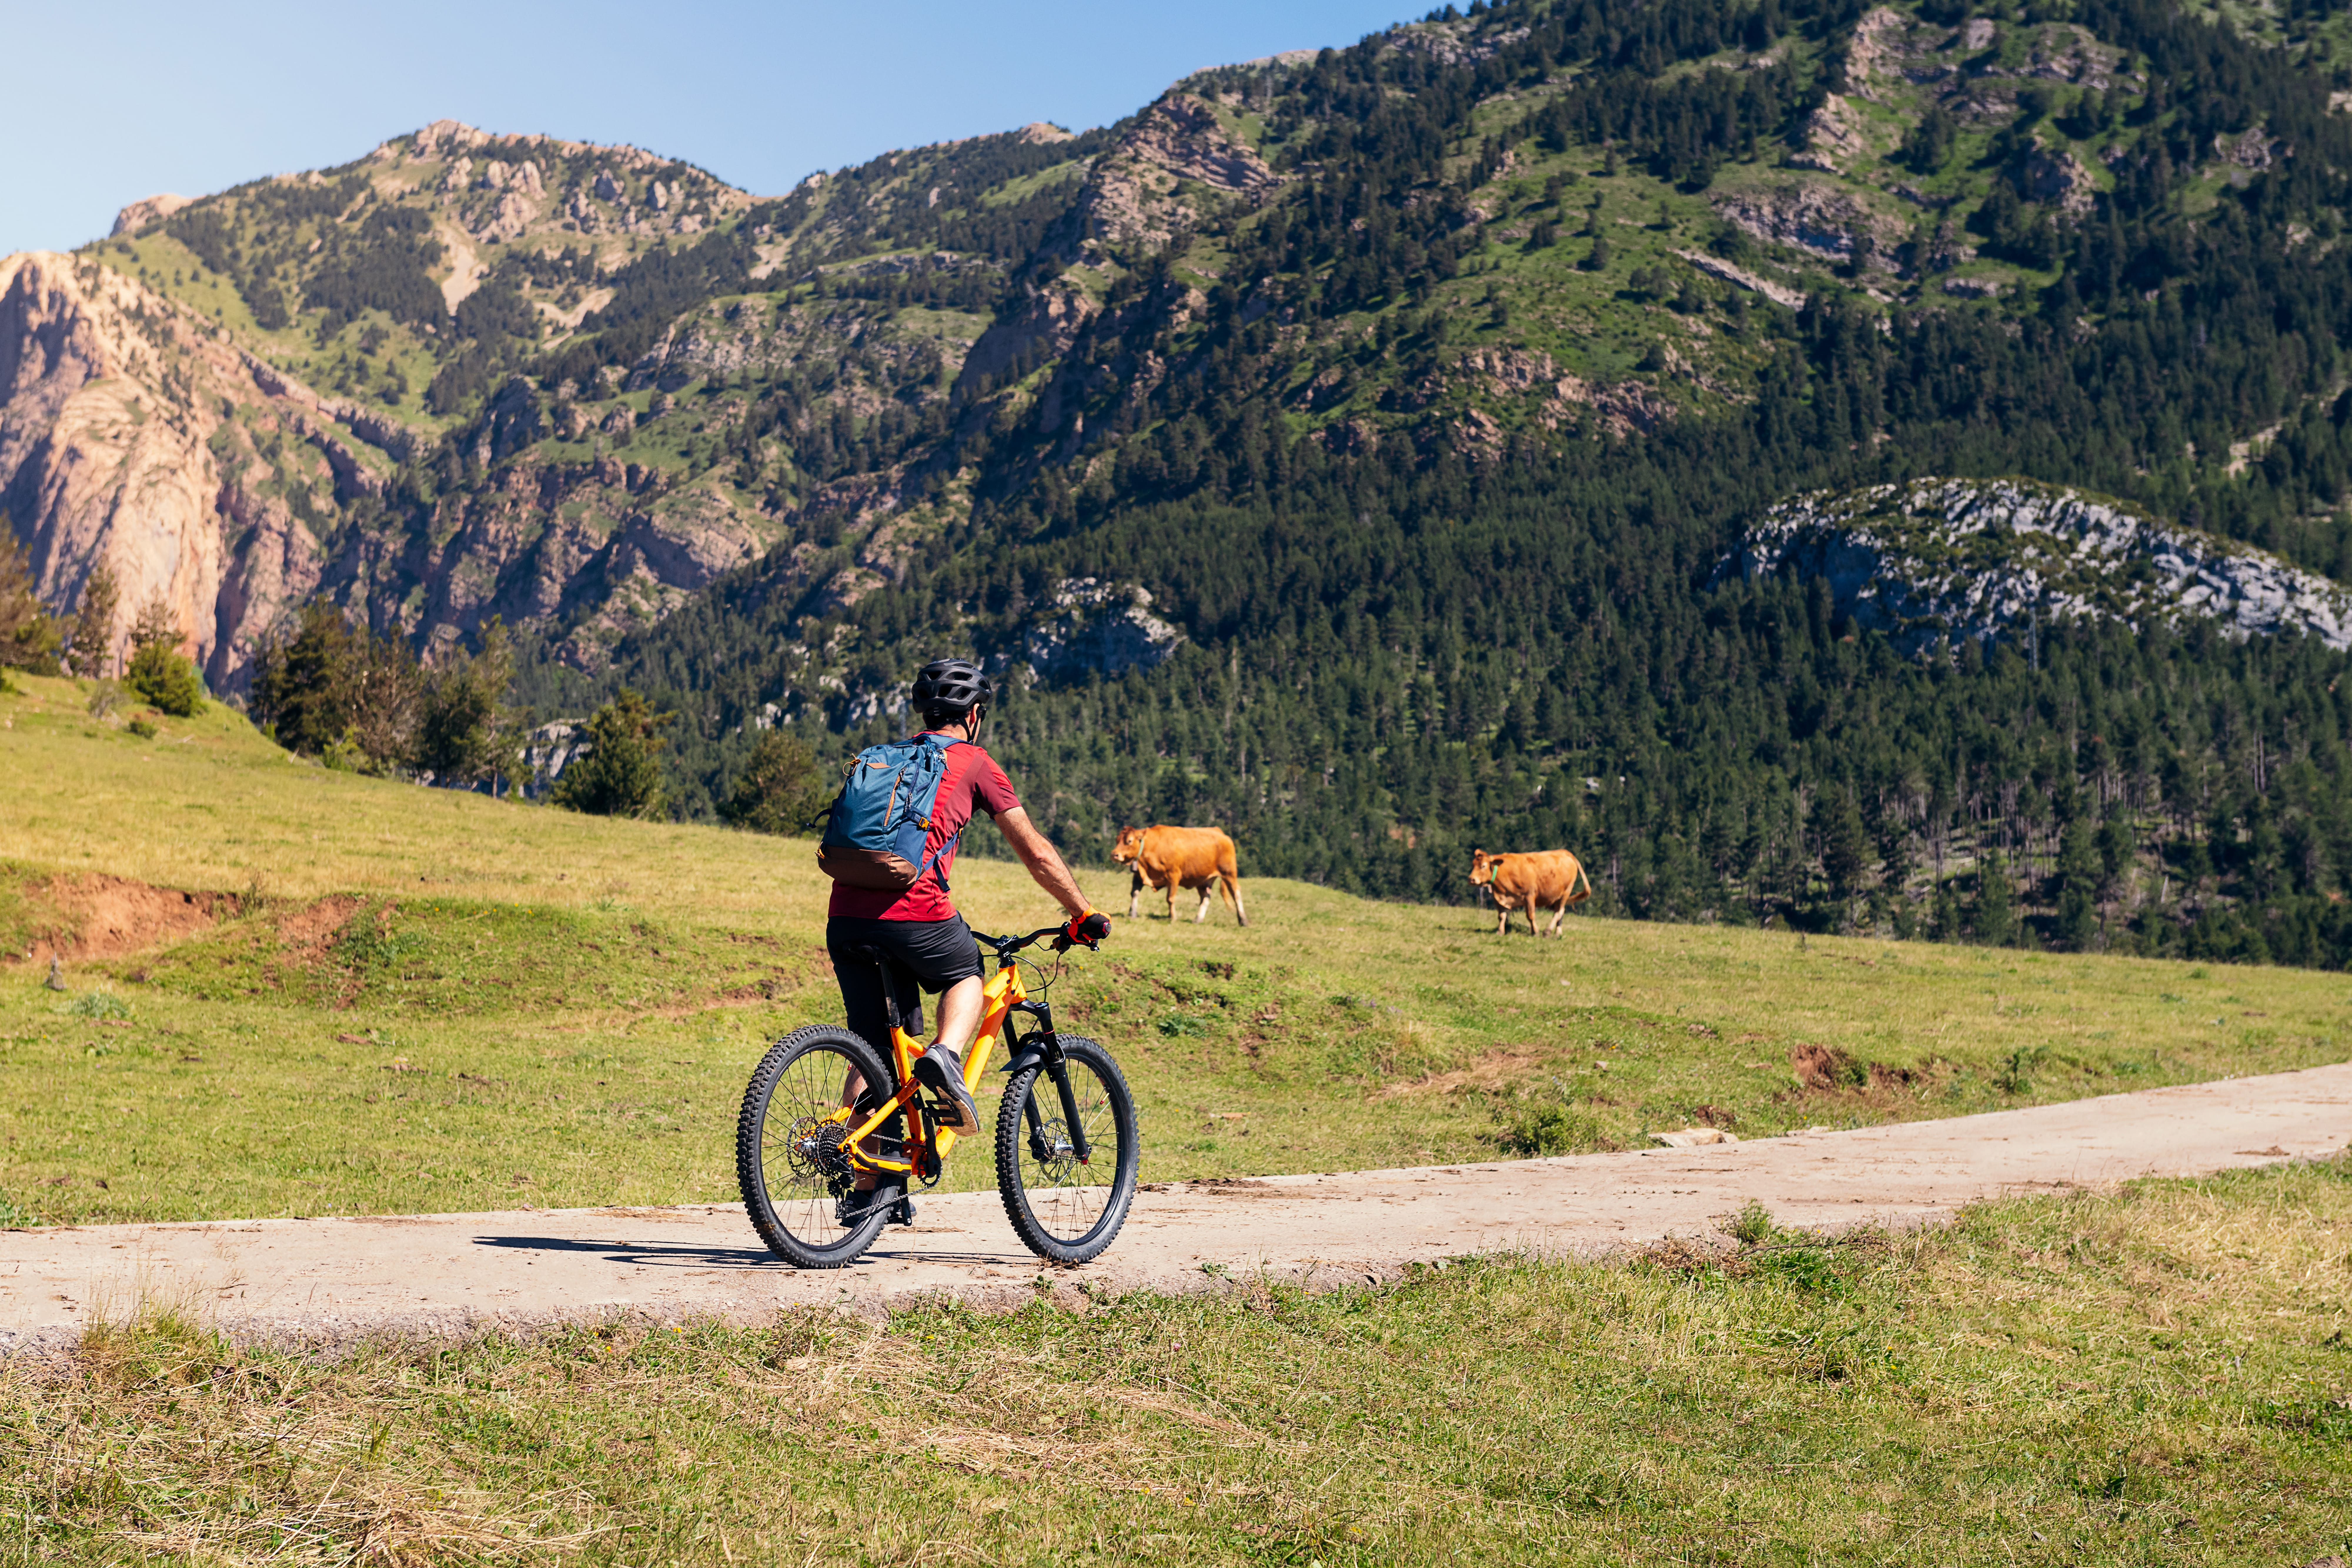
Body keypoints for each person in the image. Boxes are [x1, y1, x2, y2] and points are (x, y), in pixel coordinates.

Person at [826, 657, 1110, 1167]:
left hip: (845, 913)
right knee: (965, 971)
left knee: (873, 1045)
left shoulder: (886, 755)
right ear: (974, 715)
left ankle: (863, 1178)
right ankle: (946, 1056)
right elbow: (1037, 854)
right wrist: (1083, 910)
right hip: (915, 911)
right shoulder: (976, 763)